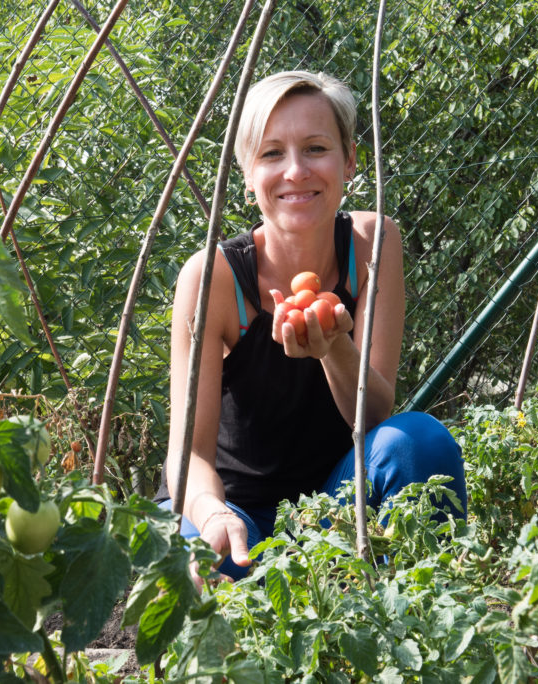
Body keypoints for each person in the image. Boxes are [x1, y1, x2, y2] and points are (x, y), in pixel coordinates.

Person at [155, 70, 466, 582]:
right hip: (236, 514)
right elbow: (187, 453)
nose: (295, 171)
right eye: (272, 153)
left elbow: (371, 415)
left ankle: (422, 620)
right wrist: (211, 515)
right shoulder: (212, 278)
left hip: (335, 509)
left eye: (316, 148)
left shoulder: (373, 245)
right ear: (248, 172)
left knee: (418, 441)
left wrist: (334, 348)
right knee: (201, 564)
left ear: (349, 161)